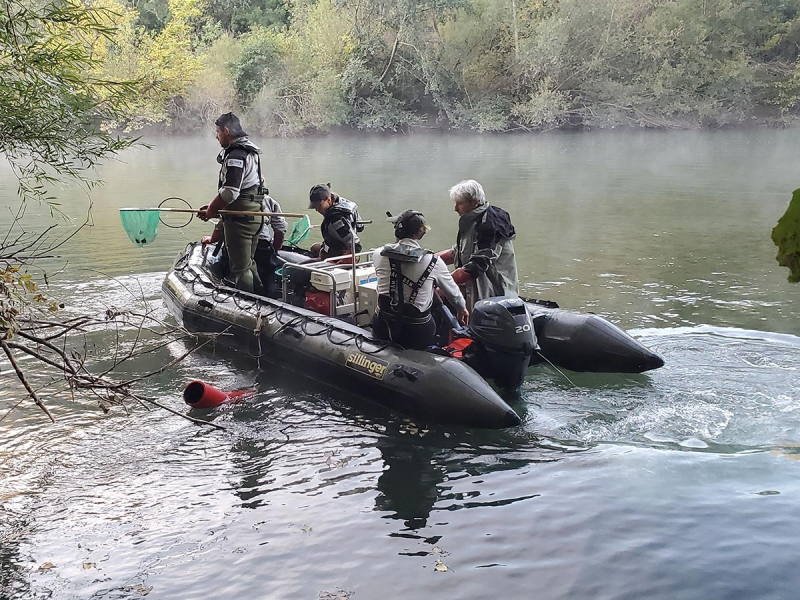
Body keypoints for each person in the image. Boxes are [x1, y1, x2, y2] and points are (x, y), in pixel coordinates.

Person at [372, 210, 469, 350]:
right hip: (417, 331)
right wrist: (462, 309)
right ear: (421, 233)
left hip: (383, 324)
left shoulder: (378, 254)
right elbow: (454, 294)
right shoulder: (434, 261)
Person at [199, 112, 266, 293]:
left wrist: (213, 209)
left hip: (240, 220)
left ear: (226, 131)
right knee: (249, 263)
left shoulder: (236, 154)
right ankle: (261, 297)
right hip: (255, 216)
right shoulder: (250, 151)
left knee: (241, 268)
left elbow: (230, 192)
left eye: (218, 132)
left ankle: (249, 308)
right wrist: (214, 209)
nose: (216, 136)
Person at [437, 180, 519, 311]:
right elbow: (457, 253)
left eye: (460, 203)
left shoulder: (490, 223)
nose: (455, 208)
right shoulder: (471, 220)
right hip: (474, 292)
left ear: (474, 202)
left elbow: (477, 264)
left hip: (494, 295)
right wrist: (428, 261)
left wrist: (444, 286)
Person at [307, 183, 363, 260]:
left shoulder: (336, 219)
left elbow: (355, 244)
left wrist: (343, 259)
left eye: (319, 206)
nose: (317, 210)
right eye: (315, 207)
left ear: (328, 200)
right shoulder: (345, 204)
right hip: (333, 248)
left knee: (296, 267)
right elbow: (360, 227)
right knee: (314, 248)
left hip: (338, 256)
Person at [253, 193, 287, 298]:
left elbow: (223, 224)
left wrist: (213, 239)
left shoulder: (237, 199)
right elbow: (280, 229)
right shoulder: (268, 200)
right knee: (266, 267)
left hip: (242, 243)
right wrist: (275, 249)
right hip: (263, 244)